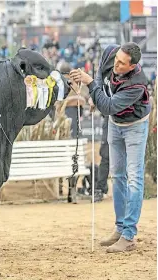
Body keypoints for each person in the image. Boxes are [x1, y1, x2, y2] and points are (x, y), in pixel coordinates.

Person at [70, 42, 150, 253]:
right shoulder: (111, 52)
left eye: (122, 64)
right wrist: (98, 92)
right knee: (117, 176)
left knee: (134, 178)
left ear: (132, 66)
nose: (116, 65)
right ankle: (120, 227)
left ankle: (129, 235)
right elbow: (99, 75)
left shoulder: (137, 84)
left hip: (135, 126)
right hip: (116, 124)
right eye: (116, 59)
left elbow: (108, 107)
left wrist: (93, 89)